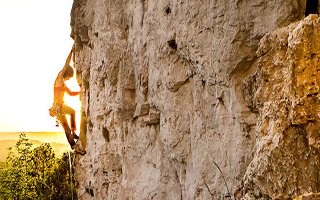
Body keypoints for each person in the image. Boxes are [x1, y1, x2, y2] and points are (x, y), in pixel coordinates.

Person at [49, 47, 86, 155]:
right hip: (58, 108)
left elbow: (71, 93)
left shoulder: (63, 85)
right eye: (69, 77)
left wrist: (81, 91)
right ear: (67, 74)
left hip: (59, 108)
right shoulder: (59, 78)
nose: (69, 78)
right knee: (69, 121)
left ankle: (74, 140)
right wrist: (71, 51)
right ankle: (73, 140)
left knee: (70, 118)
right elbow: (66, 64)